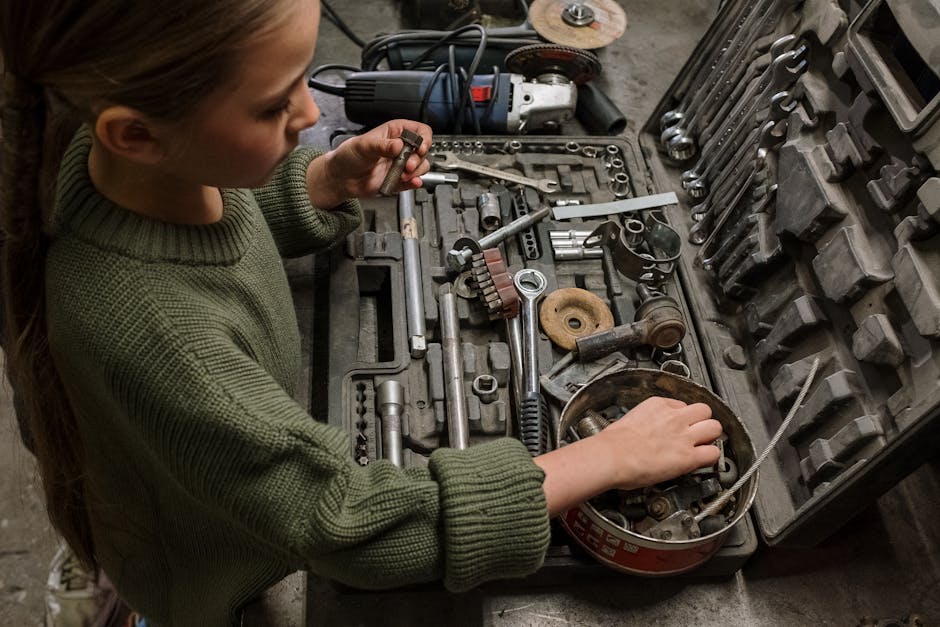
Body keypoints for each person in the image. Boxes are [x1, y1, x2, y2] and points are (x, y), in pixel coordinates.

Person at [0, 1, 724, 625]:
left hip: (206, 458)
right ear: (137, 134)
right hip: (206, 565)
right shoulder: (167, 344)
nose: (314, 113)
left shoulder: (124, 167)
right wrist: (601, 456)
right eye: (274, 103)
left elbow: (225, 216)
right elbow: (346, 523)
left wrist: (320, 180)